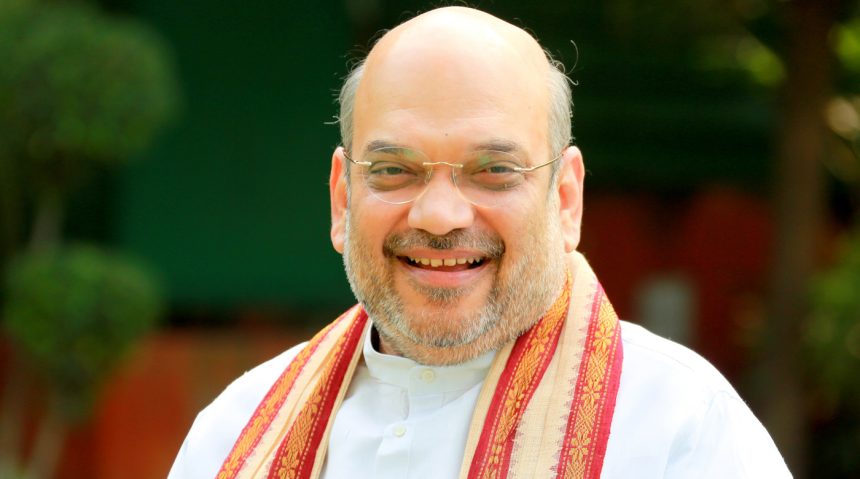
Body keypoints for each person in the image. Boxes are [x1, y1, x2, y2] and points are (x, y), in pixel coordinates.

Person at [168, 6, 791, 479]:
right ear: (342, 199)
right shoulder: (234, 434)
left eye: (493, 170)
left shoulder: (679, 430)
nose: (440, 216)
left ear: (565, 199)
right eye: (395, 170)